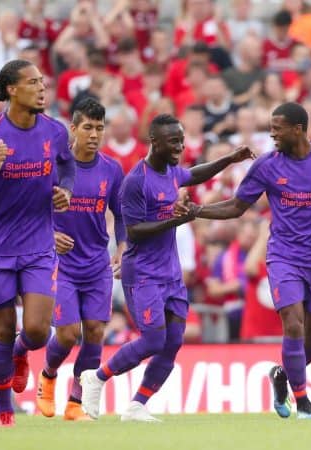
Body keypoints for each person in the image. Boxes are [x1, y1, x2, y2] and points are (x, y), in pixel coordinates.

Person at [175, 102, 311, 419]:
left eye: (277, 127)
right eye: (270, 127)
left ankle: (282, 376)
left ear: (298, 129)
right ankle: (303, 403)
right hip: (283, 255)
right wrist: (198, 211)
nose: (271, 133)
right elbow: (237, 206)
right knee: (293, 324)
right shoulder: (267, 166)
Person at [80, 113, 255, 421]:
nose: (179, 147)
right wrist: (176, 220)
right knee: (152, 340)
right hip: (143, 273)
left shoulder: (172, 171)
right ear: (154, 142)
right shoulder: (136, 181)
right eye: (173, 141)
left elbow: (193, 174)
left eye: (181, 140)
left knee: (173, 342)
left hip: (171, 274)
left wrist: (228, 159)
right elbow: (134, 231)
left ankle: (137, 405)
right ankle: (97, 377)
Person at [0, 59, 75, 427]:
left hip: (39, 245)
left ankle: (23, 352)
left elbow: (67, 167)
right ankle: (4, 410)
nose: (42, 89)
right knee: (2, 330)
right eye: (33, 82)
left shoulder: (54, 131)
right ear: (11, 90)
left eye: (43, 82)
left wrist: (65, 191)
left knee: (37, 331)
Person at [35, 98, 126, 421]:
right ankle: (47, 375)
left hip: (97, 263)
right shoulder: (53, 167)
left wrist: (123, 245)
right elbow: (29, 211)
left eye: (100, 128)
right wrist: (48, 237)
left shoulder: (112, 169)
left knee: (96, 332)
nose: (94, 134)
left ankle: (76, 403)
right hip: (61, 264)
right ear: (73, 129)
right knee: (68, 333)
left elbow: (121, 212)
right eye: (88, 127)